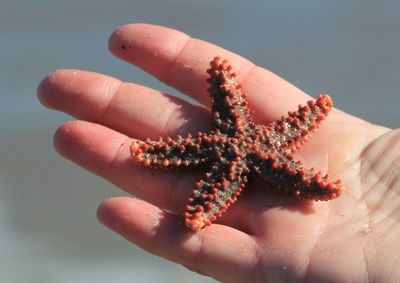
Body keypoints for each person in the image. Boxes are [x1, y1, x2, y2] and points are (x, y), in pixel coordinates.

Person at [37, 23, 400, 283]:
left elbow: (291, 161)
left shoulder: (254, 152)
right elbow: (207, 146)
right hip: (239, 153)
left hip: (244, 155)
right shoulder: (244, 148)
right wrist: (153, 155)